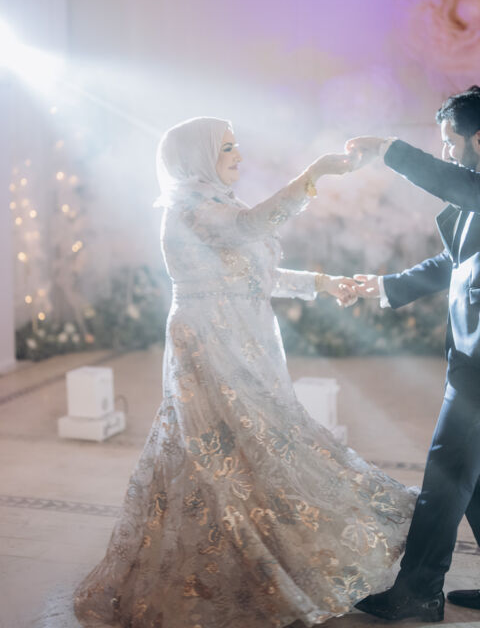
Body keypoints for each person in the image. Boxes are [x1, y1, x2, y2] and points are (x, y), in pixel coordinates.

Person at [74, 116, 417, 628]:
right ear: (197, 156)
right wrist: (314, 174)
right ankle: (242, 564)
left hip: (246, 337)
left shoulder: (216, 203)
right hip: (209, 341)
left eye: (236, 145)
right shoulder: (188, 208)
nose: (239, 155)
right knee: (233, 446)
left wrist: (324, 283)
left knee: (257, 443)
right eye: (227, 148)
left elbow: (256, 272)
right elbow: (250, 228)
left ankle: (265, 552)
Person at [345, 85, 480, 622]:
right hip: (469, 352)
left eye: (451, 141)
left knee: (447, 474)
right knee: (471, 478)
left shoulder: (472, 187)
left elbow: (451, 181)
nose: (447, 151)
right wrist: (383, 286)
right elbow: (454, 261)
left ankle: (419, 591)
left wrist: (388, 150)